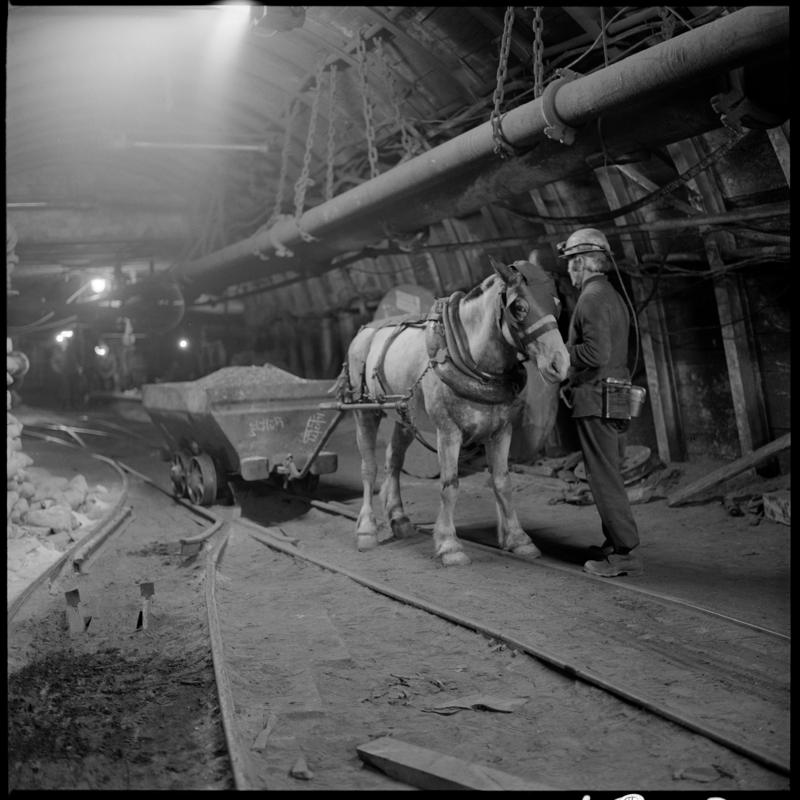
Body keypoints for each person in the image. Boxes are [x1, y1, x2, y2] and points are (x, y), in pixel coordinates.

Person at [557, 228, 642, 577]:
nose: (568, 273)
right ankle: (614, 542)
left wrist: (559, 354)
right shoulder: (610, 294)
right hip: (617, 393)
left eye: (569, 265)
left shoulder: (590, 299)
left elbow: (595, 352)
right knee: (611, 470)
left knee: (603, 476)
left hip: (596, 396)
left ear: (579, 263)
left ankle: (624, 552)